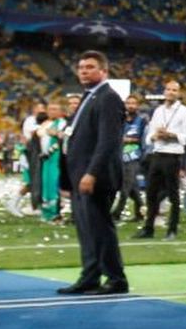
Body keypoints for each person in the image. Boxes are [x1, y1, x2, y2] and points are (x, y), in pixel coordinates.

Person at [57, 52, 129, 296]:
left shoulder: (108, 98)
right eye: (81, 67)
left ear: (104, 71)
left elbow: (108, 140)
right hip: (80, 174)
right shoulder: (90, 97)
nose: (84, 71)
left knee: (99, 228)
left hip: (96, 176)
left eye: (90, 67)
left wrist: (92, 173)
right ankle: (90, 275)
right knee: (87, 229)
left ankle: (116, 278)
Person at [139, 80, 186, 240]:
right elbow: (149, 136)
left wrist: (171, 135)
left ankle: (172, 229)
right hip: (156, 155)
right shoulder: (158, 110)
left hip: (172, 156)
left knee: (173, 194)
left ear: (179, 93)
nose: (171, 92)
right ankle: (148, 228)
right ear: (164, 92)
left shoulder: (184, 111)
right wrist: (155, 136)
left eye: (174, 90)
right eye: (168, 89)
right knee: (151, 193)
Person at [112, 94, 147, 225]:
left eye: (133, 103)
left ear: (137, 106)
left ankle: (116, 213)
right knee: (132, 187)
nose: (130, 106)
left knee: (125, 186)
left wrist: (130, 140)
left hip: (134, 157)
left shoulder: (142, 121)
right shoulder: (120, 120)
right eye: (128, 103)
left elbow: (144, 139)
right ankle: (141, 212)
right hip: (120, 156)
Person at [37, 100, 65, 222]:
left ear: (61, 111)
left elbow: (65, 136)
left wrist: (57, 133)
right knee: (46, 184)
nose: (51, 111)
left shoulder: (62, 123)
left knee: (54, 183)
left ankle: (55, 212)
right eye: (50, 109)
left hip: (56, 157)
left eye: (55, 109)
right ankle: (47, 212)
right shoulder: (46, 123)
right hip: (46, 158)